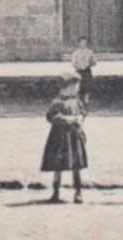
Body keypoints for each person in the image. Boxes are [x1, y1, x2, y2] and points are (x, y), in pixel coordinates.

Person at [41, 72, 88, 204]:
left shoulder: (77, 101)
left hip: (74, 136)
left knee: (76, 164)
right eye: (74, 86)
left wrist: (80, 118)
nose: (77, 89)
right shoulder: (57, 102)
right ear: (65, 87)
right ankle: (55, 192)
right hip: (60, 137)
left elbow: (83, 112)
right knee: (58, 165)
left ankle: (78, 192)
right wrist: (68, 119)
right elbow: (51, 116)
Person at [70, 38, 97, 104]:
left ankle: (86, 100)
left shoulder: (90, 52)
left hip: (87, 71)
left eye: (84, 43)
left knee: (87, 86)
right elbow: (73, 63)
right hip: (79, 71)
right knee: (78, 86)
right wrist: (78, 66)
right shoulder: (75, 53)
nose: (83, 44)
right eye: (81, 43)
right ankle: (78, 101)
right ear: (79, 44)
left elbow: (94, 62)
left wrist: (89, 64)